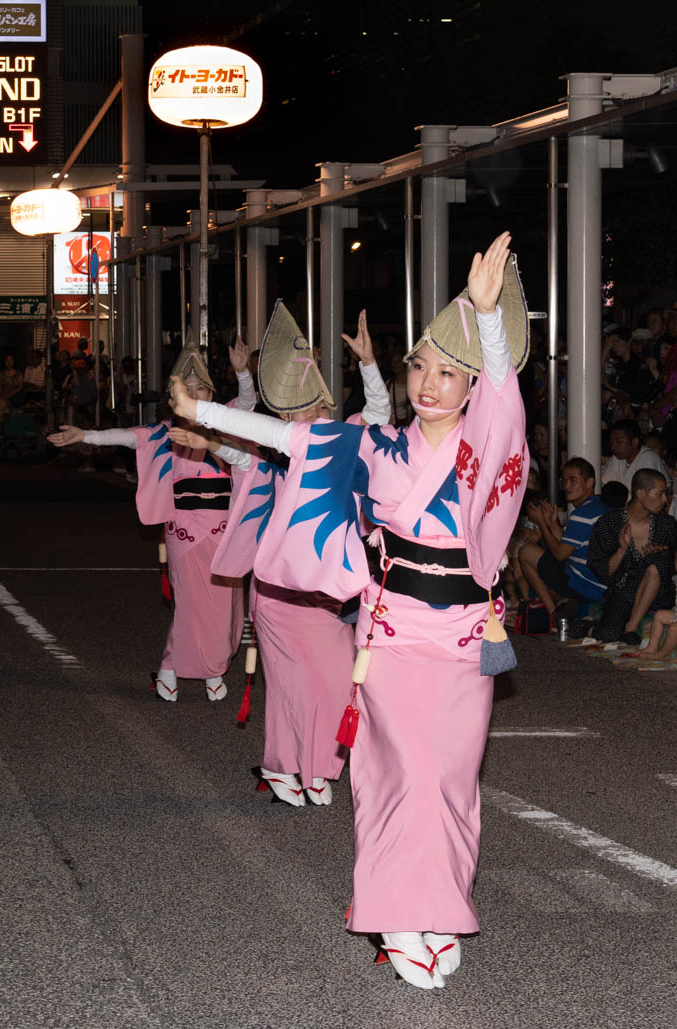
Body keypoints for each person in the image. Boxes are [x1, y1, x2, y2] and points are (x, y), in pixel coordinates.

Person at [170, 233, 529, 990]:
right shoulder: (379, 447)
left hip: (467, 640)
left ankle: (441, 904)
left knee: (455, 779)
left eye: (448, 373)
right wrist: (203, 406)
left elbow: (506, 397)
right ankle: (399, 912)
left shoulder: (485, 445)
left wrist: (489, 321)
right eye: (421, 368)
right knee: (405, 771)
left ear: (470, 387)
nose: (429, 384)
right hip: (394, 633)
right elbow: (290, 436)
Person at [200, 305, 391, 806]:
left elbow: (379, 417)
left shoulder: (345, 444)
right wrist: (216, 420)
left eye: (319, 407)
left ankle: (302, 767)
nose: (314, 416)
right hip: (281, 595)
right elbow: (238, 442)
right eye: (301, 410)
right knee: (303, 684)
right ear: (285, 418)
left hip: (326, 597)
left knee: (317, 683)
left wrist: (369, 366)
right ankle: (299, 769)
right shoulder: (271, 455)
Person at [50, 342, 248, 702]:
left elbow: (247, 405)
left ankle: (211, 669)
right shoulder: (164, 432)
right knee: (190, 604)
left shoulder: (226, 428)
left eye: (201, 389)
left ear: (212, 394)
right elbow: (128, 437)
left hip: (226, 531)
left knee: (226, 607)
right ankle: (175, 669)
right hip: (185, 532)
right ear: (176, 397)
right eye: (187, 390)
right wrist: (86, 435)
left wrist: (244, 373)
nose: (194, 395)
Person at [585, 468, 675, 645]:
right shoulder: (610, 523)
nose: (665, 500)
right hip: (623, 592)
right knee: (607, 635)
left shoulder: (666, 524)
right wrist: (622, 550)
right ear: (641, 494)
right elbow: (603, 572)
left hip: (659, 594)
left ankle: (631, 628)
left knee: (656, 563)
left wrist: (659, 555)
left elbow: (672, 566)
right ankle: (587, 626)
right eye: (660, 494)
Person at [515, 458, 607, 616]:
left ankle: (552, 612)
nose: (567, 486)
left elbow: (560, 554)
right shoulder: (597, 506)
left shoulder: (583, 513)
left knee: (526, 552)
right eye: (564, 481)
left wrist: (541, 523)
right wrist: (552, 523)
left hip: (585, 583)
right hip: (598, 583)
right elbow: (569, 545)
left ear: (590, 482)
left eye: (573, 480)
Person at [600, 419, 663, 492]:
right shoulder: (617, 458)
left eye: (619, 442)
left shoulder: (648, 458)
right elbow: (604, 483)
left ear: (634, 442)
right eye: (612, 442)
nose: (613, 446)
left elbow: (646, 496)